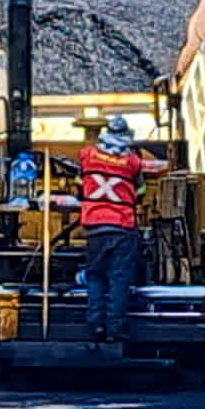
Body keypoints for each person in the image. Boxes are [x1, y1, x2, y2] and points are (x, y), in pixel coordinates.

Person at [77, 116, 165, 342]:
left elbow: (79, 184)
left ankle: (95, 325)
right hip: (122, 226)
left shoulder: (87, 155)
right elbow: (142, 191)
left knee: (95, 276)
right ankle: (115, 330)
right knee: (119, 279)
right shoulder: (132, 162)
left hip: (95, 225)